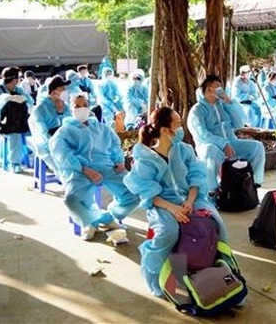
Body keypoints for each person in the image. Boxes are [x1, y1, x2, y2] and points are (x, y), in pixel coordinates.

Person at [123, 107, 228, 297]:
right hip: (162, 204)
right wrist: (172, 208)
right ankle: (153, 274)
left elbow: (197, 175)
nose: (181, 129)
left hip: (191, 199)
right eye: (177, 125)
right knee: (169, 232)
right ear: (165, 130)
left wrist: (190, 200)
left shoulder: (185, 150)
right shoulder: (147, 159)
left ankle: (221, 272)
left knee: (215, 222)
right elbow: (146, 192)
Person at [49, 95, 139, 240]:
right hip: (79, 170)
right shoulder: (64, 131)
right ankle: (92, 221)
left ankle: (109, 216)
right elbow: (62, 154)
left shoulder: (102, 128)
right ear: (70, 109)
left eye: (84, 105)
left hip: (107, 166)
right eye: (77, 106)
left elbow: (115, 145)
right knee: (71, 199)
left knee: (134, 191)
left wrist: (118, 161)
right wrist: (84, 169)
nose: (81, 109)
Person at [187, 75, 265, 198]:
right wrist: (222, 143)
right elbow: (202, 134)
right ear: (208, 89)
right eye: (217, 87)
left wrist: (230, 103)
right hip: (210, 145)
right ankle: (212, 191)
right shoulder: (197, 110)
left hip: (231, 142)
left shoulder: (223, 105)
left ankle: (252, 183)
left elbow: (239, 123)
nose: (220, 89)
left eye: (221, 86)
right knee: (210, 151)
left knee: (257, 147)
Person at [0, 67, 34, 173]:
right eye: (18, 78)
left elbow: (30, 100)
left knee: (36, 131)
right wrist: (7, 98)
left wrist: (23, 98)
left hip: (19, 121)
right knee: (14, 135)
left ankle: (29, 154)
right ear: (14, 79)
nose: (19, 80)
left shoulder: (18, 89)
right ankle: (14, 163)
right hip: (3, 123)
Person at [28, 75, 71, 171]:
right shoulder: (40, 109)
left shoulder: (64, 105)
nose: (65, 91)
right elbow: (43, 135)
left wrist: (61, 113)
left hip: (65, 140)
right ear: (54, 92)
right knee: (63, 167)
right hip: (47, 144)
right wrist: (58, 144)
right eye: (62, 89)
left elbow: (70, 123)